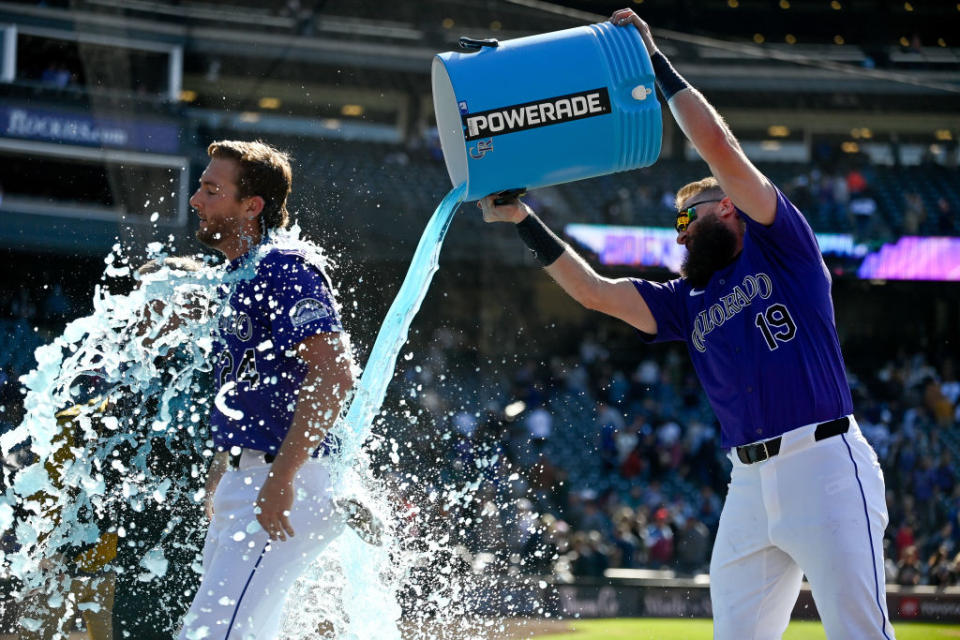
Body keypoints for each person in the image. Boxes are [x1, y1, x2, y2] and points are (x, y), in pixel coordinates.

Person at [480, 9, 895, 639]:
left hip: (826, 465)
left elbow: (721, 150)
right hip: (750, 482)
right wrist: (523, 221)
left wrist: (656, 65)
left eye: (688, 217)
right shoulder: (690, 299)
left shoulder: (781, 247)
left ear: (727, 206)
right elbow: (596, 293)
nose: (680, 231)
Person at [178, 140, 354, 639]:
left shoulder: (283, 267)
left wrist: (282, 475)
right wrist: (225, 465)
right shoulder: (241, 272)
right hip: (254, 477)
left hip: (281, 481)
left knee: (213, 636)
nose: (196, 200)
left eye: (212, 190)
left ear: (251, 206)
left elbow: (335, 373)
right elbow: (248, 385)